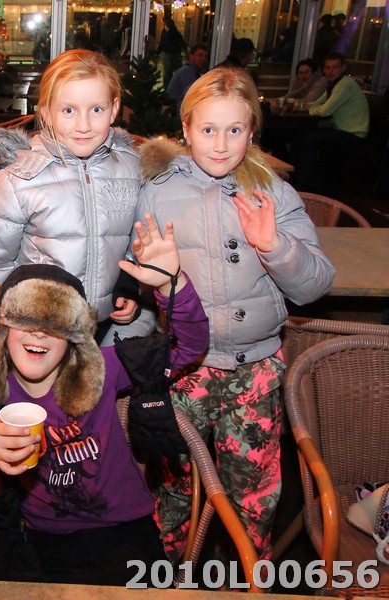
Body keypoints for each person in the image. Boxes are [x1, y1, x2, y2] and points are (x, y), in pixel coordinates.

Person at [0, 220, 210, 585]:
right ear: (3, 329)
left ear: (74, 338)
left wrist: (170, 285)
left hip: (126, 533)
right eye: (25, 320)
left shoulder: (102, 368)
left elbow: (188, 345)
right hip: (43, 542)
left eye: (56, 325)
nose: (39, 333)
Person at [136, 67, 335, 564]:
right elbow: (139, 281)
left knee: (254, 492)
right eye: (208, 129)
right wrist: (145, 290)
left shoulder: (273, 192)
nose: (221, 144)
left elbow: (314, 285)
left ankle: (247, 575)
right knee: (174, 486)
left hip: (256, 372)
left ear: (252, 133)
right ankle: (169, 573)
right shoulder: (157, 192)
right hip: (184, 370)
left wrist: (275, 246)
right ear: (186, 129)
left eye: (235, 130)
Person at [0, 49, 151, 345]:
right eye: (68, 111)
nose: (83, 125)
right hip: (39, 331)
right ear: (46, 112)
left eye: (96, 109)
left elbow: (136, 244)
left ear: (114, 109)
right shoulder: (17, 180)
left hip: (104, 327)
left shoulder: (131, 168)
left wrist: (131, 290)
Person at [292, 52, 369, 192]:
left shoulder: (345, 84)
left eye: (335, 67)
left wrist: (310, 109)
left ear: (343, 68)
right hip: (343, 130)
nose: (330, 71)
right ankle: (298, 177)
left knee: (309, 139)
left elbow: (324, 111)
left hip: (354, 133)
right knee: (301, 135)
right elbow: (319, 102)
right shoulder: (334, 84)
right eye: (327, 67)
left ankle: (305, 184)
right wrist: (311, 107)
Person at [167, 43, 209, 111]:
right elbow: (193, 97)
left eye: (206, 56)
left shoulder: (193, 72)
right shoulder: (187, 72)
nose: (203, 59)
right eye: (200, 55)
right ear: (191, 56)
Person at [157, 17, 186, 88]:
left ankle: (168, 87)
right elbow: (182, 44)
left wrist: (157, 52)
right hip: (174, 54)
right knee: (174, 72)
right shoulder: (175, 33)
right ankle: (173, 87)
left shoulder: (168, 33)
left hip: (170, 54)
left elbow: (162, 43)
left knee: (168, 72)